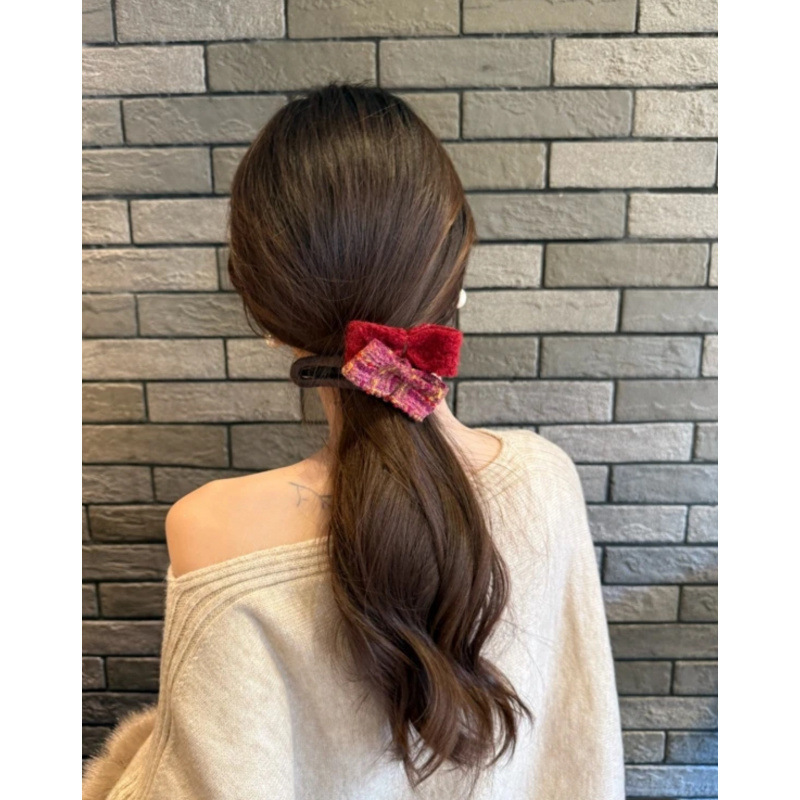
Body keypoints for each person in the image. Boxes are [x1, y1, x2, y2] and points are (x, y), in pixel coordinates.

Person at [83, 81, 625, 800]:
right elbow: (583, 756)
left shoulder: (211, 531)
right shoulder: (547, 480)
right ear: (456, 284)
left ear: (265, 318)